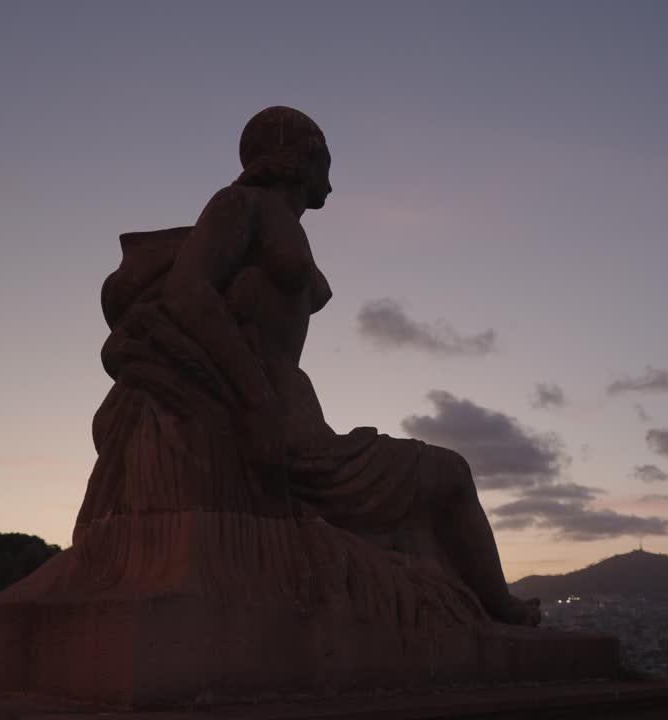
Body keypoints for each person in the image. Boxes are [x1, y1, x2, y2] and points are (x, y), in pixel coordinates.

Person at [85, 106, 539, 626]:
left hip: (293, 410)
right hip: (281, 420)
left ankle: (483, 603)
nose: (330, 176)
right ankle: (497, 607)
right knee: (451, 474)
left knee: (442, 482)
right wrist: (255, 401)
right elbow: (188, 291)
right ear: (298, 155)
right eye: (324, 157)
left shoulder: (277, 220)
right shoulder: (240, 204)